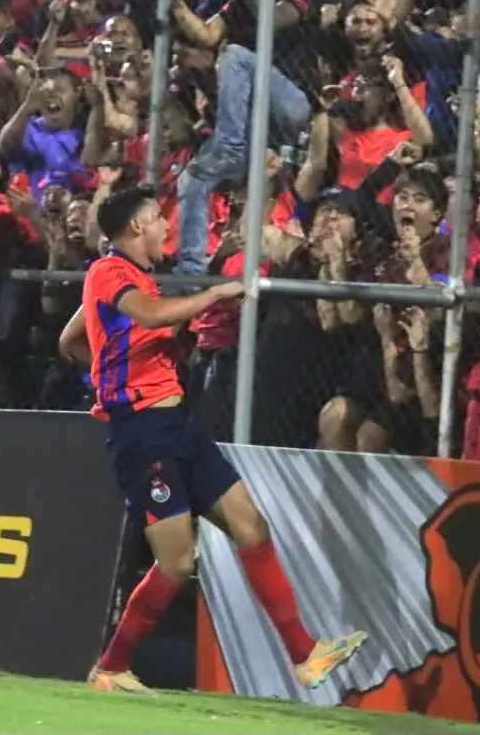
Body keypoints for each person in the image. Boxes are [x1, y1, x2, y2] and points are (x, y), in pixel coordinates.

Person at [58, 185, 367, 694]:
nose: (165, 227)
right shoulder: (109, 272)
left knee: (251, 526)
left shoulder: (135, 281)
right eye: (158, 218)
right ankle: (111, 667)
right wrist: (215, 293)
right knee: (177, 562)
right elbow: (150, 317)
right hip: (142, 435)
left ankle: (306, 656)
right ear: (135, 227)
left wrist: (117, 362)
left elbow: (73, 341)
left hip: (178, 425)